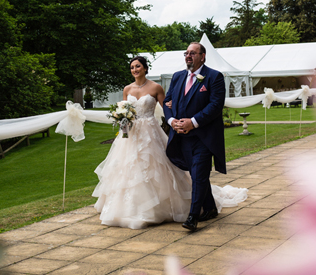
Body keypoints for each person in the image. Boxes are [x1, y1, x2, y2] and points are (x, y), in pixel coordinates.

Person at [92, 55, 247, 230]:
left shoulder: (155, 87)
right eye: (132, 67)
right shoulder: (127, 89)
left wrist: (175, 120)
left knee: (161, 168)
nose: (134, 70)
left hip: (151, 133)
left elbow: (168, 105)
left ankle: (171, 207)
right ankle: (126, 208)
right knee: (127, 168)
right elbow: (124, 108)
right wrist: (122, 118)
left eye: (137, 66)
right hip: (131, 135)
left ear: (145, 68)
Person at [163, 42, 227, 232]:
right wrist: (172, 120)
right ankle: (210, 208)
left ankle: (193, 217)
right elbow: (167, 101)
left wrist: (193, 122)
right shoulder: (177, 77)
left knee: (199, 175)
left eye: (192, 53)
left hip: (204, 137)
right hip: (181, 137)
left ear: (203, 56)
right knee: (196, 174)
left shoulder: (214, 77)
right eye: (186, 53)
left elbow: (215, 105)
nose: (188, 56)